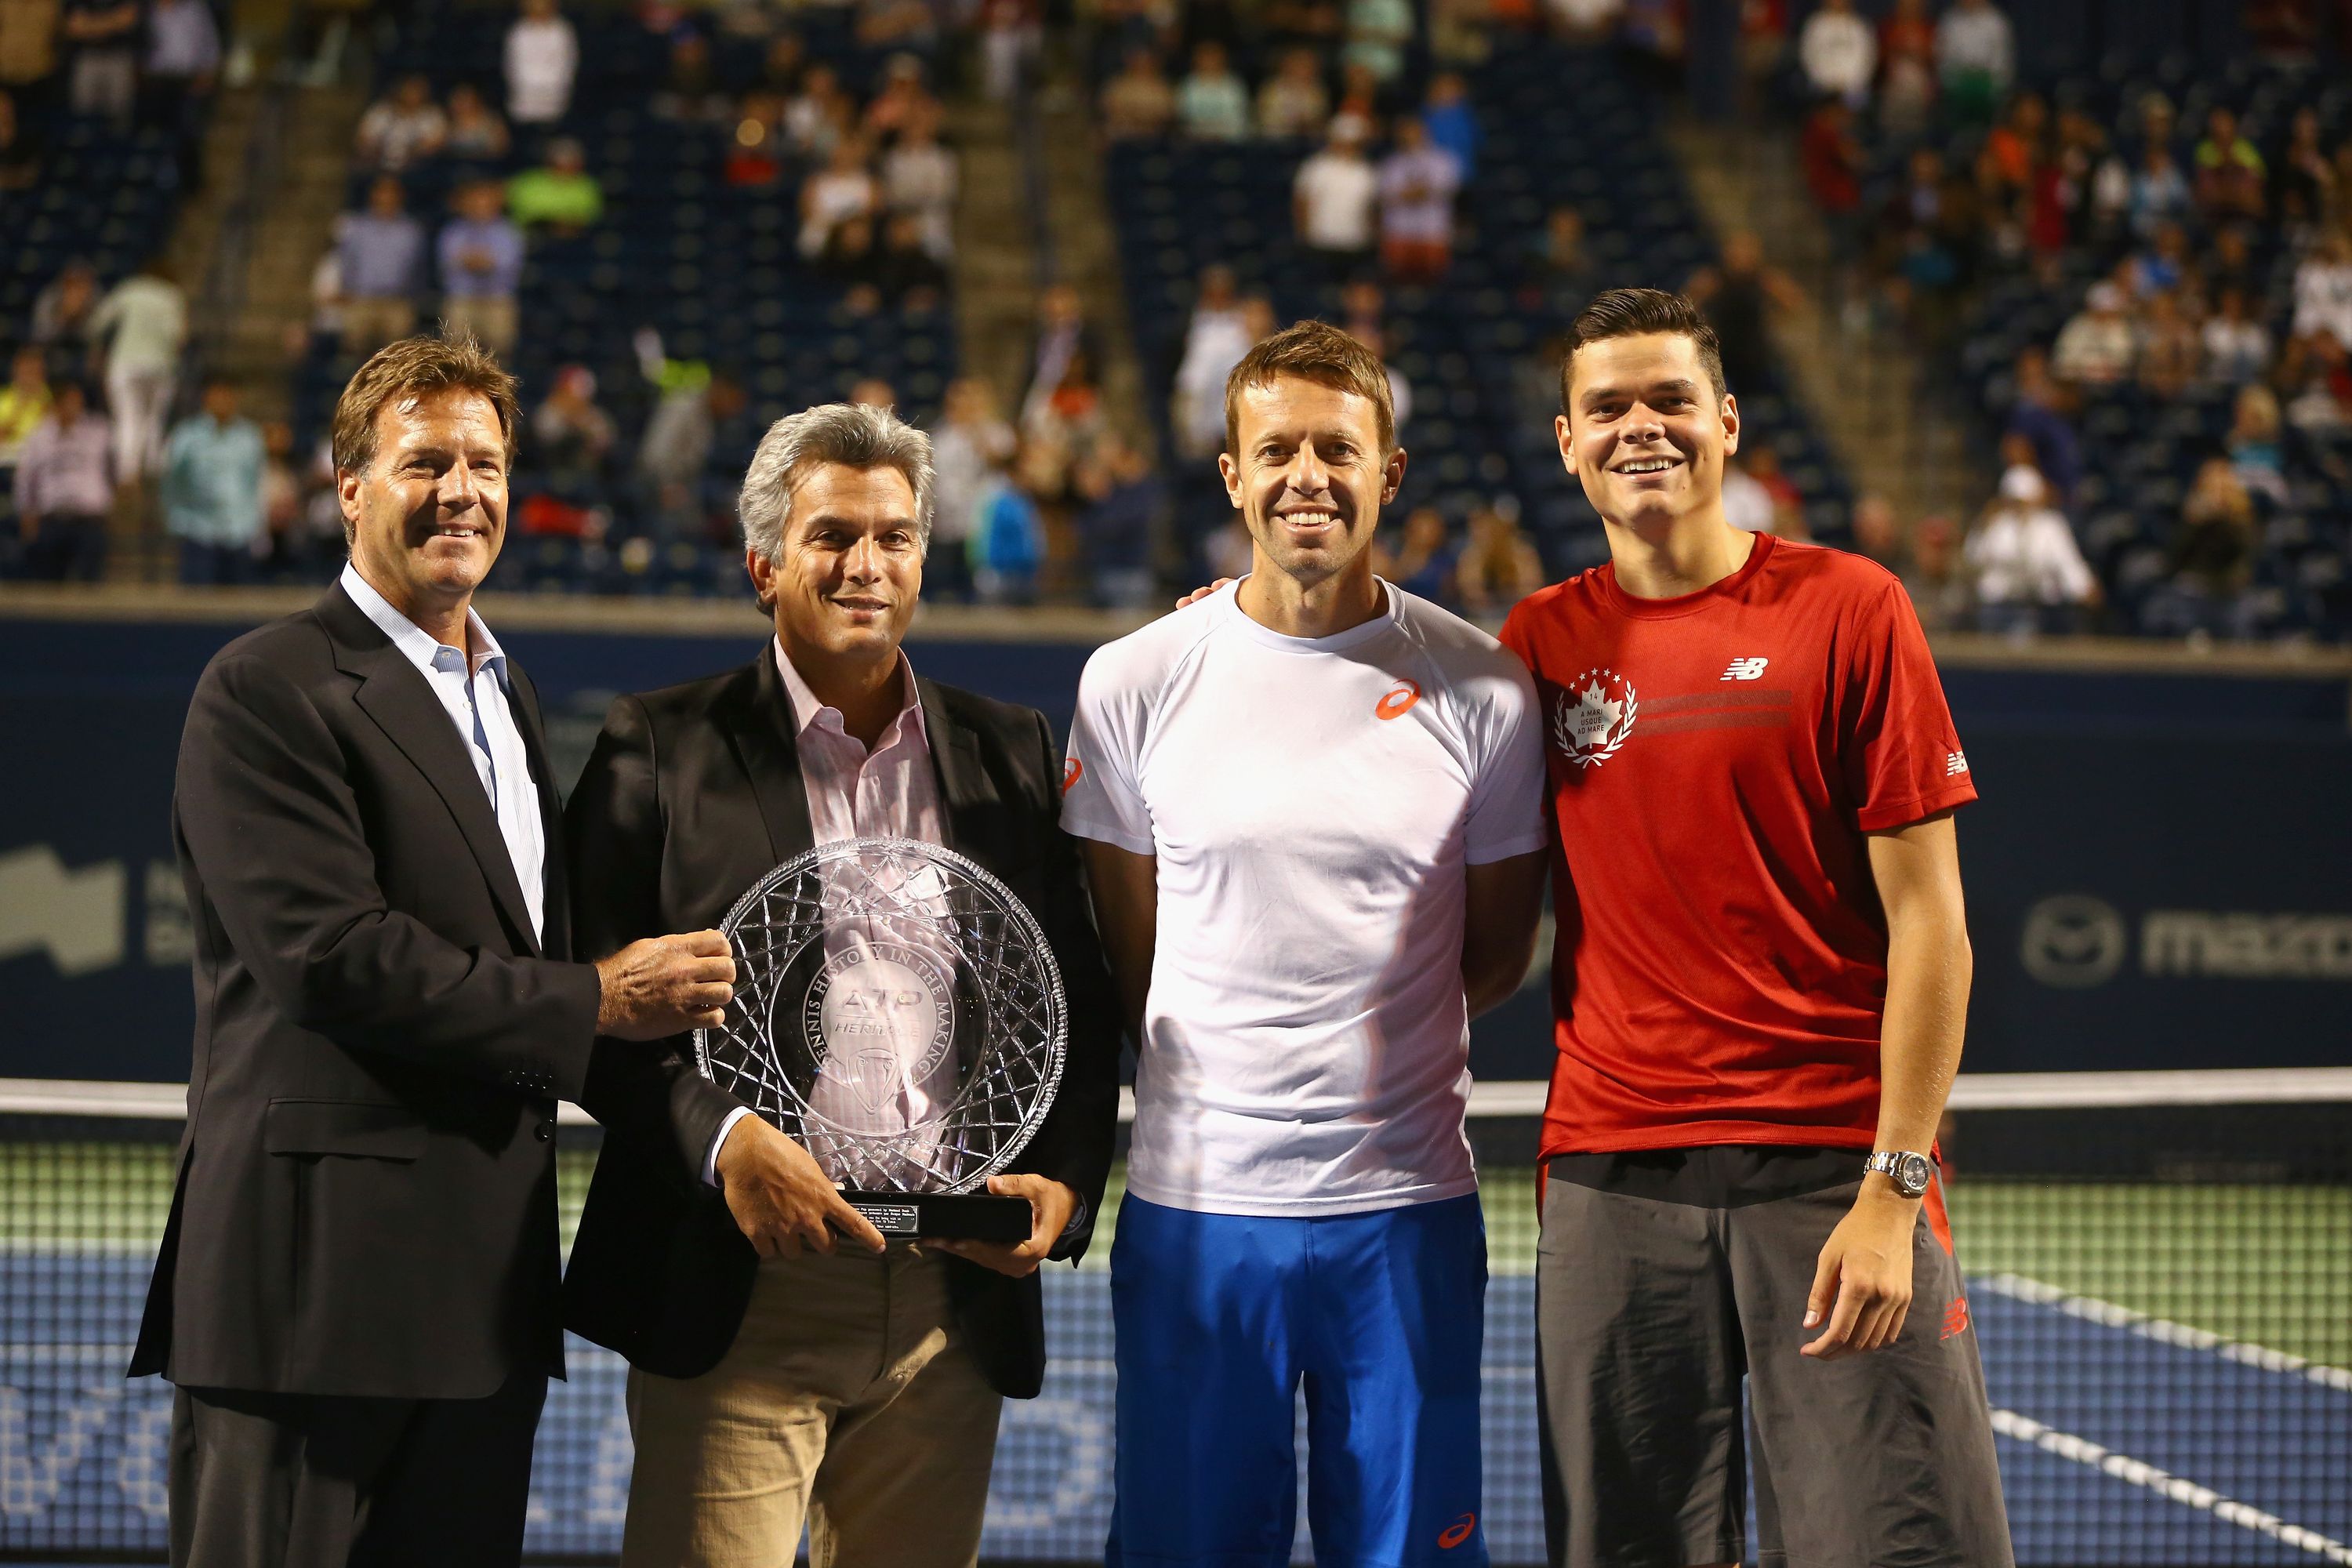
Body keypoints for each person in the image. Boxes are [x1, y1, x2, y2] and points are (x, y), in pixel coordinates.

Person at [132, 332, 738, 1567]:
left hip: (478, 1303)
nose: (462, 490)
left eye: (486, 462)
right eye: (425, 463)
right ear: (348, 486)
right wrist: (597, 999)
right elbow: (328, 958)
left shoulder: (506, 694)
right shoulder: (264, 687)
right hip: (309, 1300)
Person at [1499, 289, 2010, 1568]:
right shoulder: (1536, 643)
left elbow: (1932, 926)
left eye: (1670, 399)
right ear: (1566, 442)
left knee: (1894, 1548)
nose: (1641, 428)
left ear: (1726, 423)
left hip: (1831, 1174)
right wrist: (1227, 621)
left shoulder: (1851, 608)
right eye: (1606, 407)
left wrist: (1896, 1184)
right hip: (1615, 1179)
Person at [561, 402, 1120, 1566]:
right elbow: (589, 1008)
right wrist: (724, 1146)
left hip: (947, 1306)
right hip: (741, 1289)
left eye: (895, 537)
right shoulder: (657, 747)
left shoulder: (1010, 748)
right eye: (831, 537)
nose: (865, 564)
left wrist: (1064, 1183)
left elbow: (1076, 988)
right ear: (765, 563)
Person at [1065, 320, 1548, 1567]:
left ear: (1390, 470)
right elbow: (1135, 959)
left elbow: (1493, 954)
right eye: (1274, 448)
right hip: (1194, 1217)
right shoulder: (1133, 678)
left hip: (1407, 1218)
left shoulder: (1486, 688)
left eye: (1339, 448)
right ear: (1231, 473)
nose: (1306, 476)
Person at [1964, 463, 2098, 636]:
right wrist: (1983, 526)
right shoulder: (1997, 524)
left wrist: (2083, 587)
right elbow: (1973, 558)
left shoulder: (2050, 525)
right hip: (1998, 605)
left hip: (2038, 607)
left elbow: (2067, 561)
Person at [161, 376, 267, 585]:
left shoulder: (249, 437)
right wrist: (177, 516)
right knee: (196, 606)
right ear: (206, 399)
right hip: (198, 529)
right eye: (217, 396)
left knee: (238, 606)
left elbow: (256, 483)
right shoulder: (186, 435)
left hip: (239, 529)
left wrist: (257, 525)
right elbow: (172, 480)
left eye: (227, 397)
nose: (223, 402)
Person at [89, 257, 187, 481]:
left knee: (128, 418)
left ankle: (127, 474)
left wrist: (97, 349)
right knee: (154, 420)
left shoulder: (130, 289)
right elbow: (179, 337)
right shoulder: (172, 296)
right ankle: (153, 472)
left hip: (126, 362)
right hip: (161, 365)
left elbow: (98, 321)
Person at [13, 378, 111, 580]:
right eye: (69, 401)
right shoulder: (39, 436)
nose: (75, 407)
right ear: (57, 405)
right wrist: (26, 513)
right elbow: (25, 478)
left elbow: (112, 470)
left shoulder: (99, 432)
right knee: (48, 588)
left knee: (90, 588)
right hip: (51, 520)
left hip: (89, 519)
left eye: (78, 402)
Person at [339, 176, 426, 354]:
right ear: (373, 195)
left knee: (398, 356)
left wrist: (411, 296)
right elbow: (348, 261)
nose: (386, 197)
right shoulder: (357, 227)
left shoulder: (411, 230)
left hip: (397, 301)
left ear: (400, 197)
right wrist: (347, 288)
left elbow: (418, 267)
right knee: (353, 350)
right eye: (382, 192)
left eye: (391, 193)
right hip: (361, 298)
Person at [438, 179, 524, 359]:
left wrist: (476, 261)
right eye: (475, 200)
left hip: (498, 300)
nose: (480, 205)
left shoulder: (508, 231)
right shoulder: (453, 231)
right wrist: (483, 261)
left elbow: (506, 263)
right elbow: (450, 261)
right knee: (455, 354)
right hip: (462, 298)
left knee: (500, 355)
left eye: (485, 200)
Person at [1377, 115, 1462, 285]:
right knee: (1397, 282)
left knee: (1435, 281)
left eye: (1414, 131)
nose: (1409, 136)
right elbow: (1386, 196)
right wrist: (1420, 192)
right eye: (1405, 132)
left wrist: (1410, 193)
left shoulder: (1443, 160)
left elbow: (1446, 189)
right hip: (1399, 230)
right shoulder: (1391, 163)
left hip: (1433, 230)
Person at [1293, 122, 1378, 280]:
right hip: (1321, 239)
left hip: (1355, 241)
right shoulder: (1316, 167)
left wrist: (1371, 235)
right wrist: (1304, 234)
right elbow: (1302, 202)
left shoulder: (1366, 170)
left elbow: (1372, 208)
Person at [507, 136, 604, 233]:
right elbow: (520, 217)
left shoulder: (588, 186)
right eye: (559, 165)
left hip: (576, 236)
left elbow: (590, 217)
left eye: (570, 165)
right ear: (549, 163)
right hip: (533, 235)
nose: (564, 170)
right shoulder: (528, 182)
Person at [503, 0, 576, 125]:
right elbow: (512, 67)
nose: (539, 8)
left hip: (555, 100)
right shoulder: (518, 31)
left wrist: (552, 92)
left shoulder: (562, 31)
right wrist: (526, 92)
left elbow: (567, 68)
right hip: (523, 100)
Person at [356, 73, 448, 172]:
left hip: (418, 168)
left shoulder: (433, 114)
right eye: (408, 90)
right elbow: (363, 139)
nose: (412, 95)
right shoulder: (381, 111)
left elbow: (438, 144)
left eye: (416, 91)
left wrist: (411, 153)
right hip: (378, 164)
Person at [1797, 0, 1873, 109]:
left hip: (1852, 86)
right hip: (1821, 84)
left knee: (1859, 100)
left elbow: (1868, 58)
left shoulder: (1859, 25)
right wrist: (1826, 82)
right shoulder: (1816, 24)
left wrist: (1850, 83)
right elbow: (1808, 56)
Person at [1177, 38, 1249, 140]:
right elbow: (1184, 117)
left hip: (1229, 142)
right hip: (1195, 142)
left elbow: (1239, 117)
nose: (1210, 61)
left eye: (1213, 57)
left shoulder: (1234, 84)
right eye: (1205, 57)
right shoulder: (1188, 85)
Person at [1099, 45, 1175, 140]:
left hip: (1155, 135)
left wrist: (1143, 117)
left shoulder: (1162, 86)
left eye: (1146, 60)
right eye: (1138, 60)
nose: (1142, 64)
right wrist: (1134, 117)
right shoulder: (1117, 84)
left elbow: (1167, 110)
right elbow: (1110, 108)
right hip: (1124, 134)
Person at [1254, 46, 1327, 140]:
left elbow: (1320, 119)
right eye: (1299, 65)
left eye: (1307, 66)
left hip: (1308, 141)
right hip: (1275, 141)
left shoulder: (1317, 90)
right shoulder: (1271, 89)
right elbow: (1265, 119)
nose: (1304, 70)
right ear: (1286, 66)